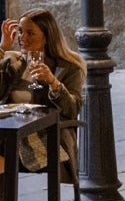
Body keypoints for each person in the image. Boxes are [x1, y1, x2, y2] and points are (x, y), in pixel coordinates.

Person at [0, 9, 85, 183]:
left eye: (30, 33)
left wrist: (53, 82)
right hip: (12, 135)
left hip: (48, 137)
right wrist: (2, 48)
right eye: (20, 32)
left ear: (47, 37)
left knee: (1, 159)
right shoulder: (14, 63)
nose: (22, 38)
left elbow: (72, 108)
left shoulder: (68, 67)